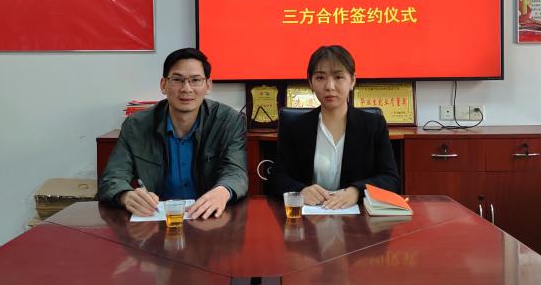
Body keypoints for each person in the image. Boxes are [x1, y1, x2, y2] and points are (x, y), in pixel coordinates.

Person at [98, 48, 247, 220]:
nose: (186, 89)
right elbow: (112, 177)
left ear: (208, 86)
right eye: (177, 80)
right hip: (157, 219)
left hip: (207, 219)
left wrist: (223, 191)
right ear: (163, 85)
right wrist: (126, 195)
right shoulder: (136, 125)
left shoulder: (229, 121)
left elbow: (236, 171)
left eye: (195, 80)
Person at [268, 45, 401, 209]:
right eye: (320, 78)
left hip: (358, 217)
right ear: (310, 82)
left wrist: (357, 191)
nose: (329, 86)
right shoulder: (295, 127)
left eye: (338, 77)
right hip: (309, 216)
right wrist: (301, 191)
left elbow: (391, 179)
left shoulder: (373, 125)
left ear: (352, 80)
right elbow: (277, 178)